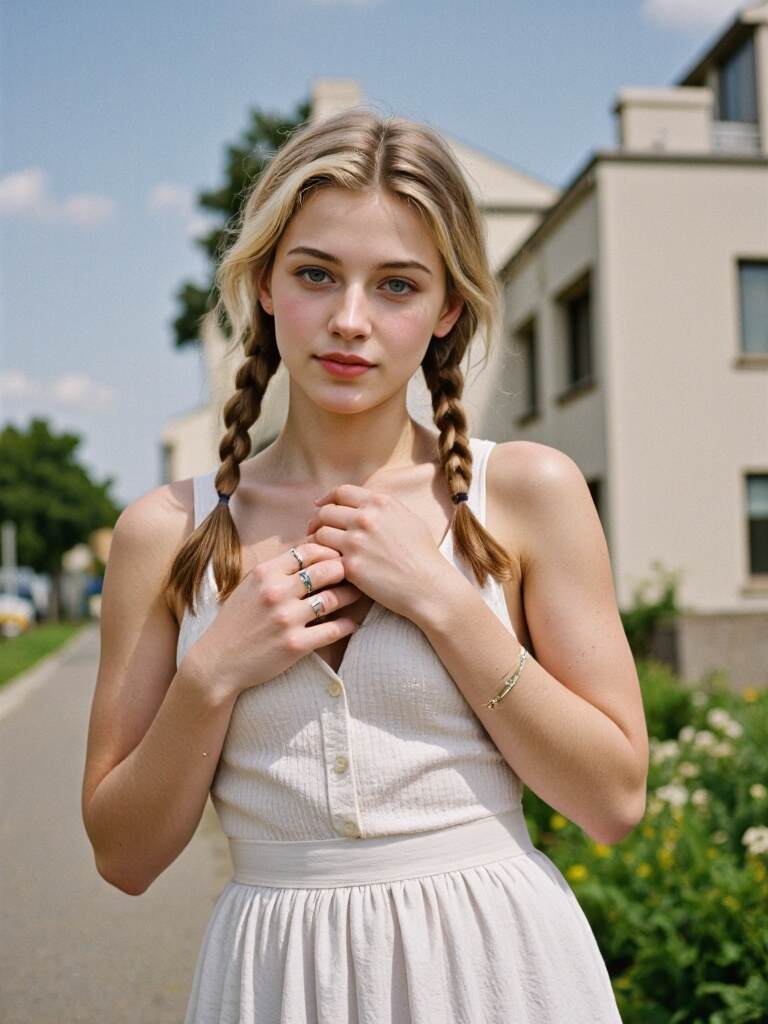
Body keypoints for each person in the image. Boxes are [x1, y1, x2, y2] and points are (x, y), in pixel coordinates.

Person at [82, 107, 648, 1023]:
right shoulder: (164, 532)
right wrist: (215, 671)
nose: (350, 321)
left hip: (502, 970)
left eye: (396, 285)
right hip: (276, 981)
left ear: (447, 308)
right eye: (316, 274)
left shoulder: (528, 492)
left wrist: (442, 602)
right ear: (265, 283)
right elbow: (124, 857)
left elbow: (616, 800)